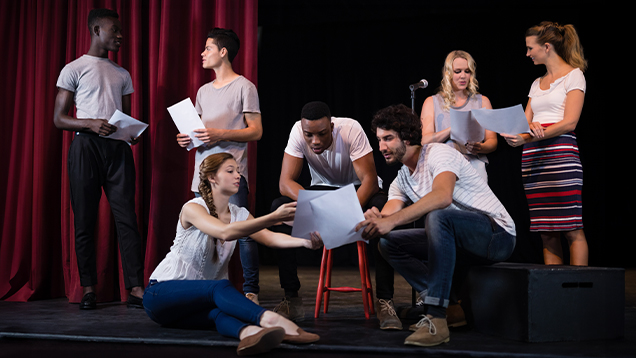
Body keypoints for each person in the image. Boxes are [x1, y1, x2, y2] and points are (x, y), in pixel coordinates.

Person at [356, 104, 516, 347]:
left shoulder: (438, 153)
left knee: (438, 215)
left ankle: (436, 319)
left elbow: (443, 197)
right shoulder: (401, 179)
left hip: (496, 235)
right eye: (379, 140)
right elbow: (388, 213)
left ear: (408, 137)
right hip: (459, 240)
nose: (381, 147)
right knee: (388, 243)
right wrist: (375, 218)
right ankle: (451, 307)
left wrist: (391, 221)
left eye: (388, 138)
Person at [143, 153, 321, 356]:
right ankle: (272, 321)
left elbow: (270, 239)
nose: (238, 175)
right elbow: (224, 232)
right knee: (220, 287)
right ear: (212, 177)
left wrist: (305, 242)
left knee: (218, 313)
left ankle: (249, 334)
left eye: (238, 170)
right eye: (230, 171)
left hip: (189, 308)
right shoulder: (193, 208)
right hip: (160, 296)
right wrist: (272, 217)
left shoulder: (239, 213)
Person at [270, 101, 402, 330]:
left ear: (331, 127)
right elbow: (285, 183)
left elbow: (369, 181)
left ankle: (385, 300)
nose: (315, 141)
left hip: (359, 189)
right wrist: (320, 205)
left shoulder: (350, 129)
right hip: (325, 190)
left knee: (382, 216)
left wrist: (342, 214)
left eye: (322, 134)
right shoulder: (296, 131)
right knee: (279, 209)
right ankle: (291, 298)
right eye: (309, 135)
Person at [53, 8, 144, 310]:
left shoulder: (122, 74)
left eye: (121, 31)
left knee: (127, 219)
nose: (120, 36)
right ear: (95, 31)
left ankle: (135, 287)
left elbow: (126, 117)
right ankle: (88, 287)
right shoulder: (73, 68)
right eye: (114, 30)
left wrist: (132, 133)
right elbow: (59, 118)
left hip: (118, 149)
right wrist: (89, 123)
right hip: (85, 148)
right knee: (85, 220)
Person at [176, 28, 263, 302]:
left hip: (230, 174)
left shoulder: (244, 87)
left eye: (207, 48)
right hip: (203, 174)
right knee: (202, 232)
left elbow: (256, 131)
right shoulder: (203, 91)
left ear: (223, 52)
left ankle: (251, 290)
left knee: (244, 231)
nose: (202, 53)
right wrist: (186, 139)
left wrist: (220, 133)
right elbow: (199, 133)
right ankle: (202, 286)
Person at [501, 21, 588, 266]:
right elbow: (524, 124)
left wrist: (539, 131)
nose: (527, 53)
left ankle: (578, 294)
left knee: (571, 227)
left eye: (530, 48)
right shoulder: (536, 84)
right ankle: (556, 296)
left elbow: (570, 122)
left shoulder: (574, 75)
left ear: (546, 47)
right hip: (533, 160)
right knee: (546, 230)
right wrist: (521, 134)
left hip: (560, 156)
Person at [420, 50, 497, 182]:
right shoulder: (432, 102)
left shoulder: (482, 101)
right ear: (448, 73)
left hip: (474, 166)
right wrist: (452, 129)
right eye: (458, 71)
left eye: (467, 71)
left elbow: (492, 141)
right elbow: (425, 141)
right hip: (443, 165)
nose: (463, 76)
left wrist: (480, 147)